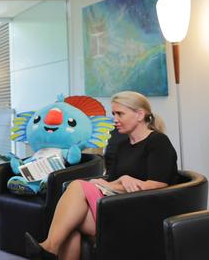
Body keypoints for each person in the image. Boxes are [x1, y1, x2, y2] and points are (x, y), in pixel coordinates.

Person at [25, 91, 178, 260]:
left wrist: (121, 181)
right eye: (113, 114)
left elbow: (159, 185)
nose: (115, 119)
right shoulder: (121, 146)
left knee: (76, 189)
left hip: (140, 214)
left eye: (120, 114)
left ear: (140, 114)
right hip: (115, 205)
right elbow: (112, 181)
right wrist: (113, 182)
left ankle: (48, 248)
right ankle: (50, 248)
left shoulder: (158, 142)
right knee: (69, 225)